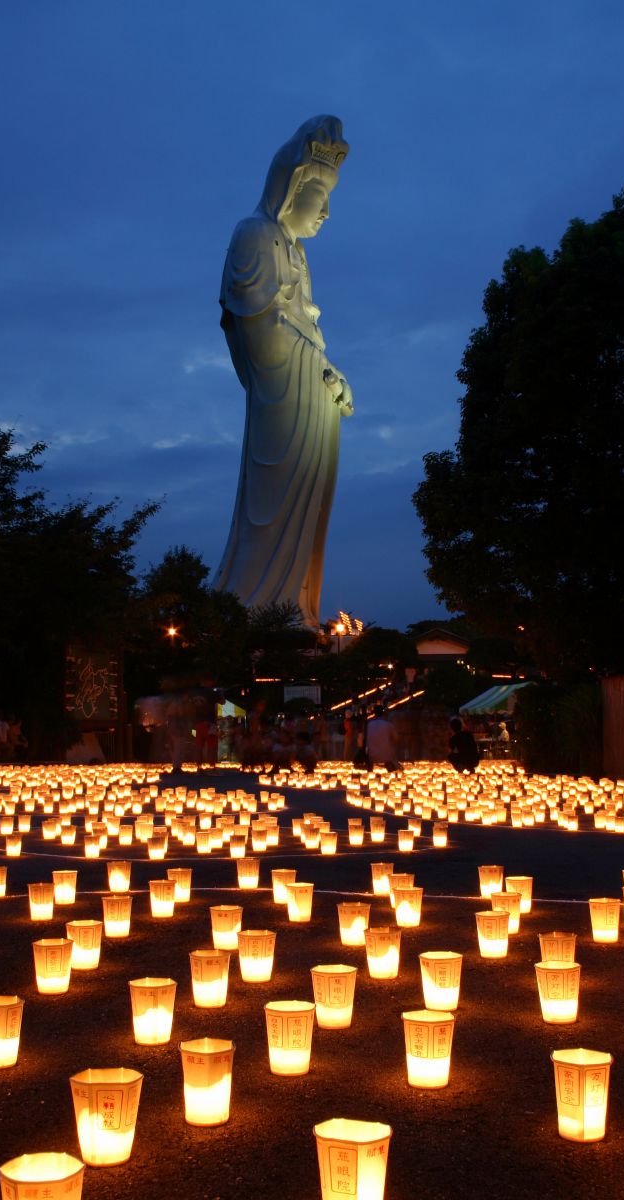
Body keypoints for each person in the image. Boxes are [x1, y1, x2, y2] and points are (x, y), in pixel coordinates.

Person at [213, 116, 353, 629]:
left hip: (308, 390)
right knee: (271, 502)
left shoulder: (295, 251)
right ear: (292, 191)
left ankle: (294, 605)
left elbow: (304, 327)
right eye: (321, 197)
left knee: (309, 498)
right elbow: (263, 333)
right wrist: (318, 368)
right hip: (284, 390)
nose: (328, 213)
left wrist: (329, 372)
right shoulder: (254, 234)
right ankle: (252, 605)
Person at [365, 706, 399, 770]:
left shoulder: (369, 725)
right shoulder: (388, 724)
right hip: (388, 757)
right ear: (383, 713)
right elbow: (396, 739)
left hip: (372, 757)